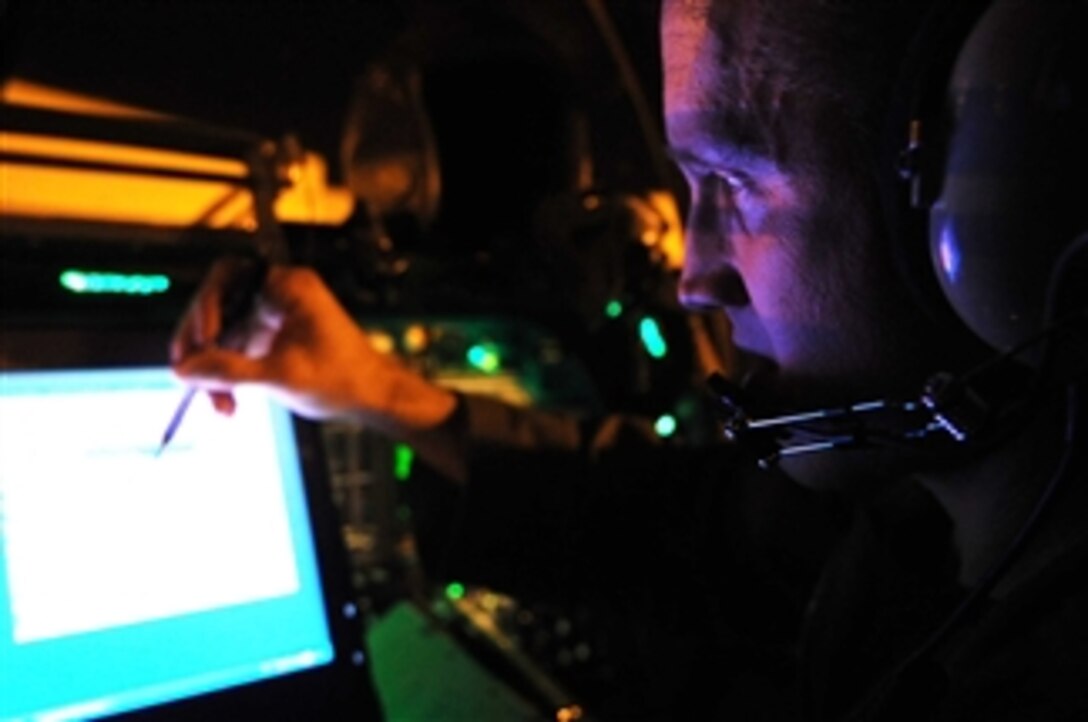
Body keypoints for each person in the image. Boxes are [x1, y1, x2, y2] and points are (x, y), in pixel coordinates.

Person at [171, 0, 1088, 719]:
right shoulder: (900, 527)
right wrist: (377, 393)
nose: (695, 274)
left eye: (732, 181)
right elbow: (682, 525)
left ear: (995, 196)